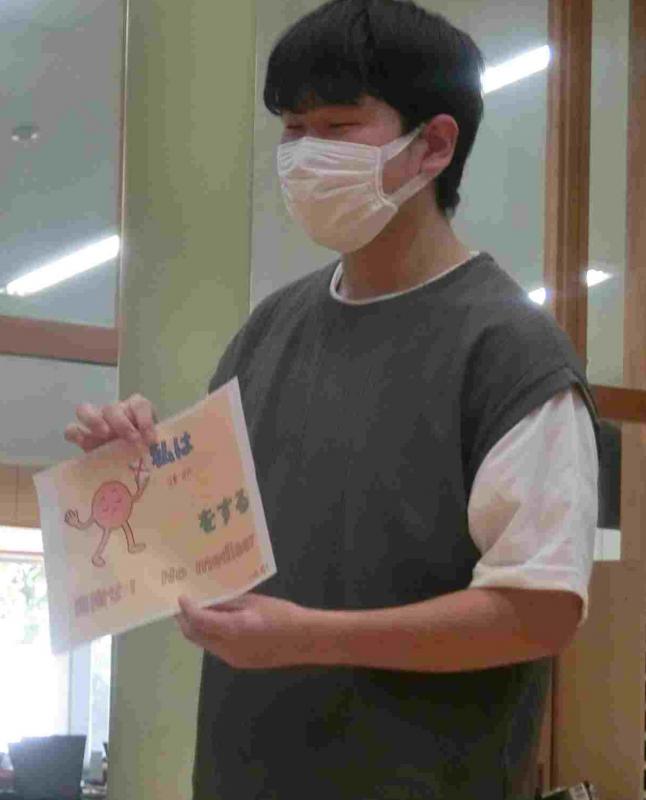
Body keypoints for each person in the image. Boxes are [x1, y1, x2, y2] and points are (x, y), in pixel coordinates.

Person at [65, 1, 600, 798]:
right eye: (292, 129)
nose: (304, 155)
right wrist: (132, 471)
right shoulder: (267, 333)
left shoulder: (510, 353)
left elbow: (541, 610)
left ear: (434, 146)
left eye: (337, 126)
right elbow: (203, 550)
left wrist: (312, 638)